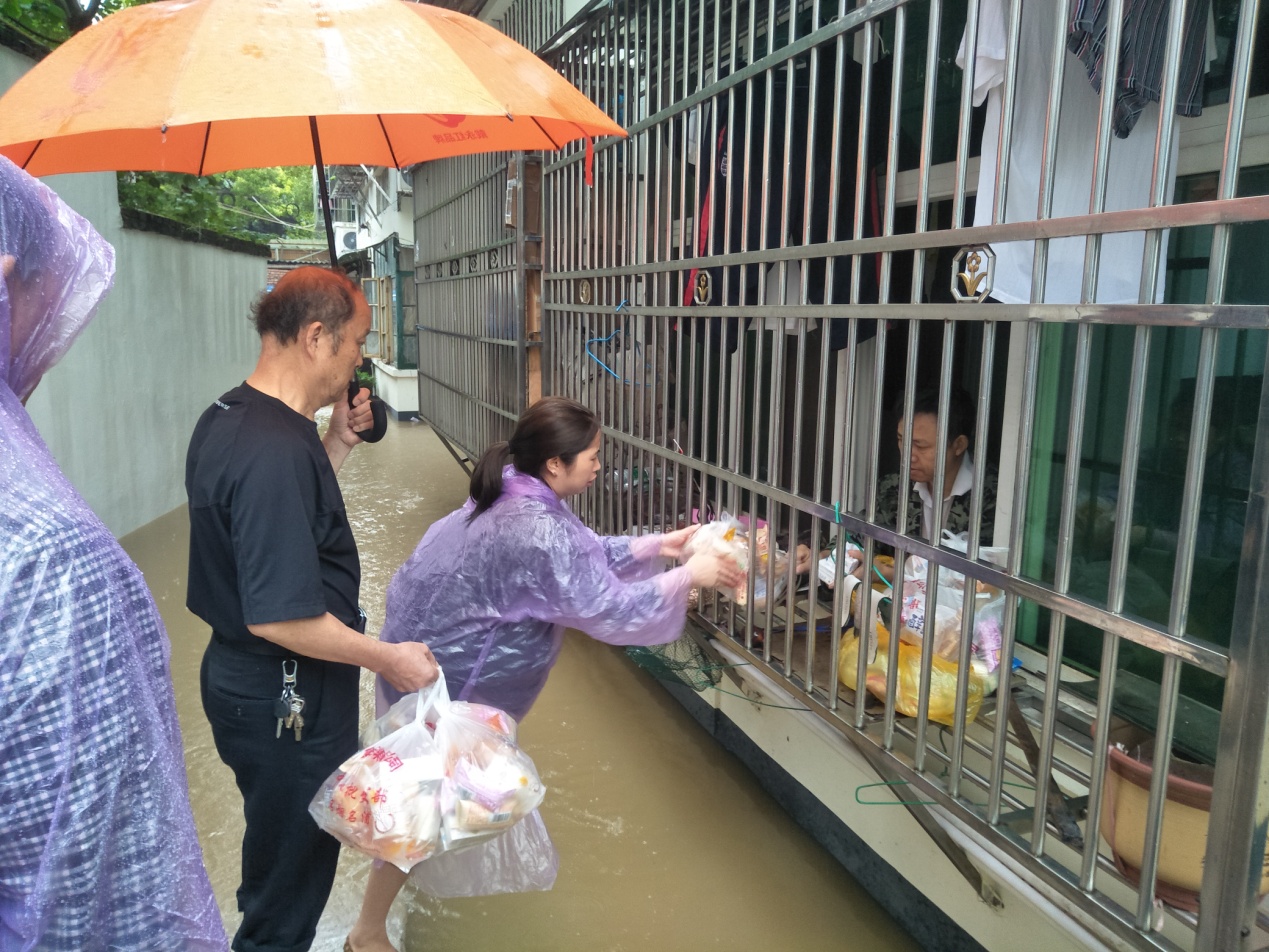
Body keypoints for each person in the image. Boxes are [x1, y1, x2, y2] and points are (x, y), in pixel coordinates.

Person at [346, 396, 744, 952]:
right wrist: (690, 575)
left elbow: (583, 556)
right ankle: (366, 935)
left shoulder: (516, 494)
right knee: (423, 810)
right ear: (556, 464)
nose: (600, 465)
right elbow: (608, 607)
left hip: (426, 675)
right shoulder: (534, 526)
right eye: (593, 456)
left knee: (425, 804)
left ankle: (382, 917)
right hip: (451, 693)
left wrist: (659, 545)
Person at [0, 157, 225, 949]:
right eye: (48, 304)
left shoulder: (228, 426)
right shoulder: (49, 564)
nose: (48, 343)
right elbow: (119, 908)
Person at [185, 267, 438, 952]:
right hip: (285, 693)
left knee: (281, 857)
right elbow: (280, 616)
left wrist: (339, 443)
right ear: (317, 336)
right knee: (288, 889)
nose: (360, 358)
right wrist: (389, 659)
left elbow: (283, 523)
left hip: (252, 683)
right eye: (356, 341)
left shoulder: (234, 416)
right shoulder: (271, 448)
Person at [853, 387, 998, 583]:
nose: (907, 456)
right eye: (901, 440)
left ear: (958, 445)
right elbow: (858, 536)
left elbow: (986, 583)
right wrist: (825, 556)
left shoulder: (993, 499)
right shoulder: (894, 488)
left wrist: (896, 576)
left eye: (920, 446)